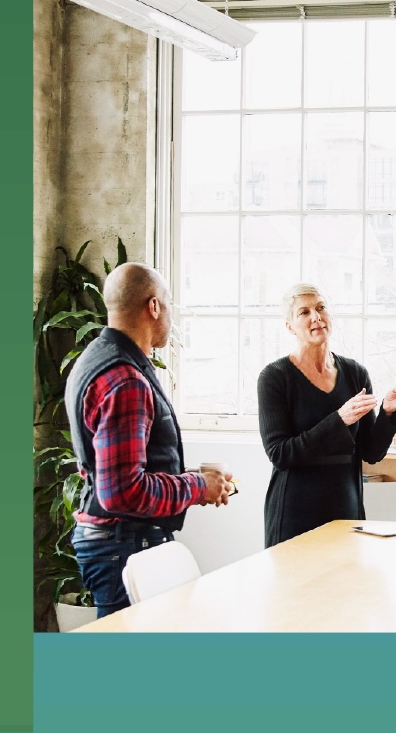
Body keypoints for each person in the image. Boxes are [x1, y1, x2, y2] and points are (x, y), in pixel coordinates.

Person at [65, 262, 234, 618]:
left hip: (115, 543)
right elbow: (122, 492)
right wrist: (196, 486)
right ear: (153, 306)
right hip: (123, 547)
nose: (172, 315)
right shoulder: (125, 379)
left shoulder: (95, 358)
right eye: (169, 303)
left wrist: (195, 479)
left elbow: (120, 468)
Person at [257, 283, 396, 547]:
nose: (316, 317)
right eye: (304, 312)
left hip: (346, 510)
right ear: (290, 326)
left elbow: (371, 452)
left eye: (321, 307)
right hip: (294, 513)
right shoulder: (275, 377)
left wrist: (388, 412)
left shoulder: (355, 373)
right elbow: (280, 453)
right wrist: (338, 420)